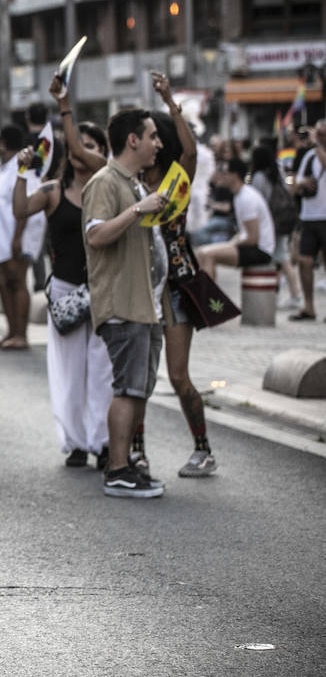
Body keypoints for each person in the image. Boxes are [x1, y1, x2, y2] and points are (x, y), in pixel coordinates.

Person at [13, 75, 111, 469]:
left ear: (103, 152)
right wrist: (22, 173)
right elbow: (20, 210)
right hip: (67, 288)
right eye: (76, 144)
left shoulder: (111, 187)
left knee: (103, 370)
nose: (80, 151)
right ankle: (75, 442)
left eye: (89, 146)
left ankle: (103, 441)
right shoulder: (53, 190)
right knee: (69, 371)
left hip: (105, 288)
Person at [82, 108, 169, 499]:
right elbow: (97, 235)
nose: (158, 144)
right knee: (127, 388)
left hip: (144, 303)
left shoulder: (132, 182)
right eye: (152, 136)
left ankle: (124, 463)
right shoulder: (105, 182)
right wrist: (139, 209)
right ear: (132, 140)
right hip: (122, 302)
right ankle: (116, 468)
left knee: (139, 389)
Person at [142, 76, 218, 479]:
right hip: (138, 286)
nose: (150, 144)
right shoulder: (128, 181)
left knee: (176, 375)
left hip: (174, 286)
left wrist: (170, 101)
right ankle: (134, 452)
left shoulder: (177, 181)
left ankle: (203, 449)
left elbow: (191, 149)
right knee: (137, 377)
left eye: (156, 136)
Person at [0, 125, 43, 349]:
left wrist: (18, 237)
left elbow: (25, 203)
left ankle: (21, 333)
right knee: (1, 280)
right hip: (0, 235)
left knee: (17, 280)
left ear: (3, 143)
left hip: (16, 233)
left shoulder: (22, 167)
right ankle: (11, 331)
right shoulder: (6, 168)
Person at [195, 156, 274, 272]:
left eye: (225, 173)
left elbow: (253, 238)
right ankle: (206, 289)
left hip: (260, 251)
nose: (221, 176)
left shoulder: (246, 198)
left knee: (207, 254)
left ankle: (207, 290)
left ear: (234, 176)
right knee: (201, 252)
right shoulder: (239, 195)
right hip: (251, 246)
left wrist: (231, 244)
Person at [250, 144, 302, 308]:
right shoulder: (276, 172)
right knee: (280, 258)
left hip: (270, 224)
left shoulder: (259, 176)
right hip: (281, 221)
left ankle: (295, 296)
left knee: (282, 259)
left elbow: (258, 202)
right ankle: (279, 294)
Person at [290, 119, 326, 321]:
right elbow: (294, 184)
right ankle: (309, 306)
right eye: (318, 134)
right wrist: (304, 183)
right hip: (309, 216)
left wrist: (316, 145)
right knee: (304, 261)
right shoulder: (309, 156)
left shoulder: (316, 152)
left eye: (323, 134)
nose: (319, 137)